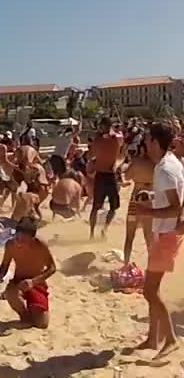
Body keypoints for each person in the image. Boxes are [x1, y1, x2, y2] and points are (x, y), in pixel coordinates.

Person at [128, 122, 184, 362]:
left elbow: (174, 207)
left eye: (148, 139)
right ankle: (153, 338)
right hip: (165, 232)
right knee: (154, 288)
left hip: (166, 234)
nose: (145, 143)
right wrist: (151, 198)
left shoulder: (165, 169)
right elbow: (172, 199)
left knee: (149, 290)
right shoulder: (168, 164)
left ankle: (170, 339)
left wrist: (146, 212)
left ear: (155, 142)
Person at [0, 216, 54, 329]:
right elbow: (5, 264)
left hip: (36, 284)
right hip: (19, 282)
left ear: (32, 238)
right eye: (18, 238)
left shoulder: (40, 246)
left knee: (42, 324)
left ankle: (33, 311)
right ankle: (25, 317)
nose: (19, 242)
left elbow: (52, 268)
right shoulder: (10, 245)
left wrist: (33, 282)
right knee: (10, 293)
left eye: (24, 240)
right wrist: (0, 274)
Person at [88, 117, 126, 239]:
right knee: (104, 207)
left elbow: (92, 155)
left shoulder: (102, 139)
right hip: (107, 175)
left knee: (107, 206)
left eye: (101, 126)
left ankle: (98, 231)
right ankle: (95, 232)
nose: (100, 128)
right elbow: (122, 152)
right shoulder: (114, 138)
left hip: (105, 175)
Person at [123, 138, 157, 267]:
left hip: (136, 198)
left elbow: (126, 176)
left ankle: (125, 264)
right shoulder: (157, 162)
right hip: (150, 199)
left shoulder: (137, 162)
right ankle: (152, 266)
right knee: (149, 237)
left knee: (129, 235)